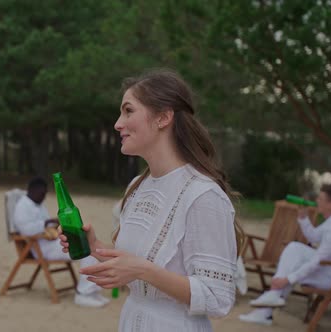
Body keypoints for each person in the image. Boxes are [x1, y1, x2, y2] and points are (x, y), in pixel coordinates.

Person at [59, 69, 243, 331]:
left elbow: (218, 298)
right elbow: (133, 270)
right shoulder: (137, 186)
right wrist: (94, 246)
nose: (117, 123)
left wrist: (144, 271)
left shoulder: (203, 195)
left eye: (128, 111)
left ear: (163, 117)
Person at [239, 185, 331, 326]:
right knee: (294, 248)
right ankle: (268, 306)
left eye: (321, 199)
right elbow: (314, 238)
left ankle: (268, 307)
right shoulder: (330, 222)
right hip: (324, 270)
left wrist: (287, 279)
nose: (317, 201)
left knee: (292, 264)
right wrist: (303, 218)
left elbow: (317, 261)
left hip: (328, 277)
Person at [13, 177, 109, 307]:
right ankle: (84, 294)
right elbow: (25, 229)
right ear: (32, 190)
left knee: (89, 245)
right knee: (88, 251)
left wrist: (53, 226)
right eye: (42, 193)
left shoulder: (38, 205)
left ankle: (93, 292)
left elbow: (47, 226)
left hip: (50, 242)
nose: (44, 197)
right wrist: (47, 223)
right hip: (40, 248)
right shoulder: (22, 206)